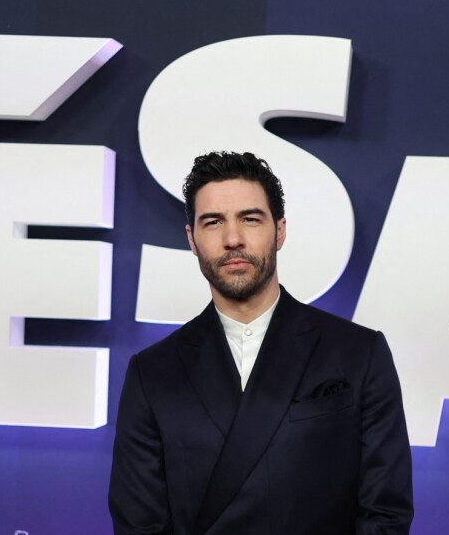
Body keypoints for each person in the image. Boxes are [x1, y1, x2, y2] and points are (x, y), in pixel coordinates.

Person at [109, 151, 413, 534]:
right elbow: (138, 524)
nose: (233, 239)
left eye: (250, 219)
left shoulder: (359, 354)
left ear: (280, 231)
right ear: (192, 239)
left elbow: (385, 514)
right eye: (213, 222)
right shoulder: (152, 373)